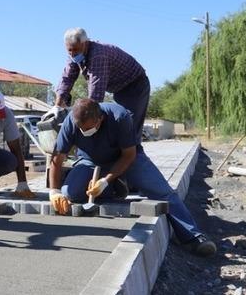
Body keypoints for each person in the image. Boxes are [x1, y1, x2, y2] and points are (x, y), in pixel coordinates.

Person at [48, 98, 216, 257]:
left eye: (89, 129)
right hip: (90, 160)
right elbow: (57, 158)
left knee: (161, 191)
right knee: (71, 192)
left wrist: (105, 180)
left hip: (126, 158)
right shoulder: (72, 121)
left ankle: (192, 236)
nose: (85, 133)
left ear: (100, 119)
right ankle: (117, 186)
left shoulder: (120, 116)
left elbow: (129, 155)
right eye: (81, 130)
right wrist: (54, 192)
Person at [53, 28, 151, 145]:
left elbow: (96, 92)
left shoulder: (98, 54)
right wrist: (57, 106)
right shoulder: (74, 54)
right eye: (69, 50)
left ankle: (134, 159)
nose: (73, 54)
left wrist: (86, 119)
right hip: (119, 89)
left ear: (85, 43)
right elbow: (67, 77)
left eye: (76, 50)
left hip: (135, 86)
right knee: (117, 125)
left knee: (129, 126)